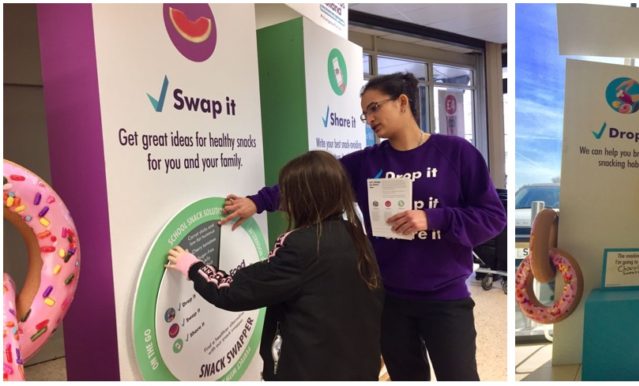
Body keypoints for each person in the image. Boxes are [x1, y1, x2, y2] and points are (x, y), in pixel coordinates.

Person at [219, 72, 506, 381]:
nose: (369, 118)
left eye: (374, 108)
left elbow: (493, 218)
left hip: (446, 299)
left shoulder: (456, 153)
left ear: (402, 102)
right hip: (389, 298)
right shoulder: (365, 163)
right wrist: (258, 202)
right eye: (365, 112)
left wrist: (435, 218)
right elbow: (313, 183)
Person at [164, 150, 384, 381]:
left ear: (305, 197)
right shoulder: (354, 233)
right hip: (358, 366)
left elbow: (231, 291)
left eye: (288, 192)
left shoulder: (300, 247)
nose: (283, 200)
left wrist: (193, 267)